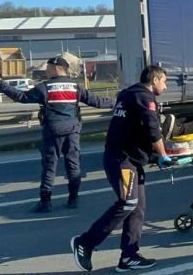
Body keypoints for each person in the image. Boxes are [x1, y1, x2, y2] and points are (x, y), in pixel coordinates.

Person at [71, 65, 170, 272]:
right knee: (128, 203)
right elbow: (153, 131)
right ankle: (85, 242)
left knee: (137, 206)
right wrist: (163, 155)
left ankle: (129, 256)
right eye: (164, 81)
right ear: (154, 80)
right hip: (123, 160)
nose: (166, 86)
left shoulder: (127, 94)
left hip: (129, 159)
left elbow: (134, 128)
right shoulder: (145, 97)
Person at [0, 56, 114, 212]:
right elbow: (96, 101)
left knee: (49, 167)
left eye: (47, 68)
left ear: (56, 69)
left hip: (53, 130)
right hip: (73, 130)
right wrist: (117, 102)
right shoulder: (75, 87)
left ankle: (45, 203)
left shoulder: (45, 87)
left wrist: (1, 84)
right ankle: (73, 199)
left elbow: (21, 97)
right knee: (73, 166)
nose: (45, 71)